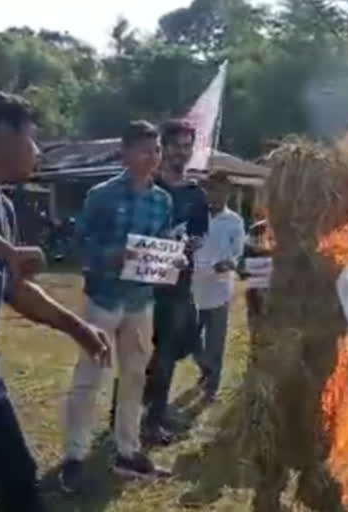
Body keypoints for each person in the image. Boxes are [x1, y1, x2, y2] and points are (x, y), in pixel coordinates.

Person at [0, 90, 110, 511]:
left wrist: (77, 327)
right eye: (32, 138)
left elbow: (14, 287)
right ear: (1, 134)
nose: (37, 151)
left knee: (17, 483)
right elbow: (8, 260)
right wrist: (8, 251)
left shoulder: (2, 207)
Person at [59, 120, 174, 494]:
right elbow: (79, 244)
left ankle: (128, 449)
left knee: (135, 376)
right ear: (125, 153)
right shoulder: (101, 195)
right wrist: (111, 256)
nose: (152, 157)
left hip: (141, 300)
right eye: (145, 149)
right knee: (90, 376)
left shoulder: (163, 200)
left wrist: (172, 259)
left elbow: (162, 245)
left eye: (156, 150)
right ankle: (74, 456)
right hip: (104, 299)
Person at [142, 119, 208, 444]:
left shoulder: (197, 194)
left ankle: (154, 418)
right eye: (176, 146)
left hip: (179, 283)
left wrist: (193, 242)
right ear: (163, 148)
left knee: (167, 352)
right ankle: (124, 410)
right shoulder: (148, 188)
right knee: (139, 351)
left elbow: (200, 232)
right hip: (143, 284)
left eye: (187, 147)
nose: (182, 153)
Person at [191, 171, 244, 401]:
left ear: (228, 193)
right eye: (212, 189)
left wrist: (230, 263)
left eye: (221, 191)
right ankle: (205, 368)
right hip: (192, 286)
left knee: (216, 339)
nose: (216, 195)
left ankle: (212, 384)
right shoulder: (194, 216)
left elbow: (238, 252)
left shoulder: (234, 221)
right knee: (190, 337)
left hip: (220, 288)